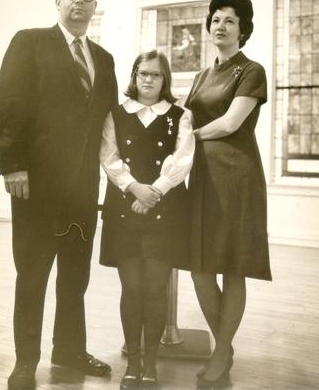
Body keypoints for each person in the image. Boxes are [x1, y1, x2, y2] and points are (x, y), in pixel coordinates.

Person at [0, 0, 118, 390]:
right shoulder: (29, 42)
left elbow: (109, 124)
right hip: (36, 187)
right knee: (32, 276)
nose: (79, 2)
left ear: (95, 5)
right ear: (58, 1)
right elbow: (8, 105)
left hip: (83, 189)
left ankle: (68, 349)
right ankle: (25, 361)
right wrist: (12, 166)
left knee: (75, 277)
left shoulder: (104, 59)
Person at [185, 0, 272, 389]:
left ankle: (221, 353)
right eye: (216, 18)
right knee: (201, 269)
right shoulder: (203, 75)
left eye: (230, 21)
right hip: (202, 178)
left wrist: (188, 140)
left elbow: (230, 123)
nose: (220, 26)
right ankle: (225, 344)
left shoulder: (252, 70)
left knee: (233, 268)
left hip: (237, 178)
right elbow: (183, 120)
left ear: (243, 29)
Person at [99, 50, 195, 390]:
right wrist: (134, 188)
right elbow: (109, 158)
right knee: (132, 288)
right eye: (143, 74)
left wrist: (153, 192)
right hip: (125, 208)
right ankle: (134, 363)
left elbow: (182, 159)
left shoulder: (180, 115)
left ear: (165, 79)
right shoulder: (116, 114)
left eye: (156, 75)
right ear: (134, 76)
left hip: (165, 210)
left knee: (155, 289)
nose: (149, 80)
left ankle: (151, 364)